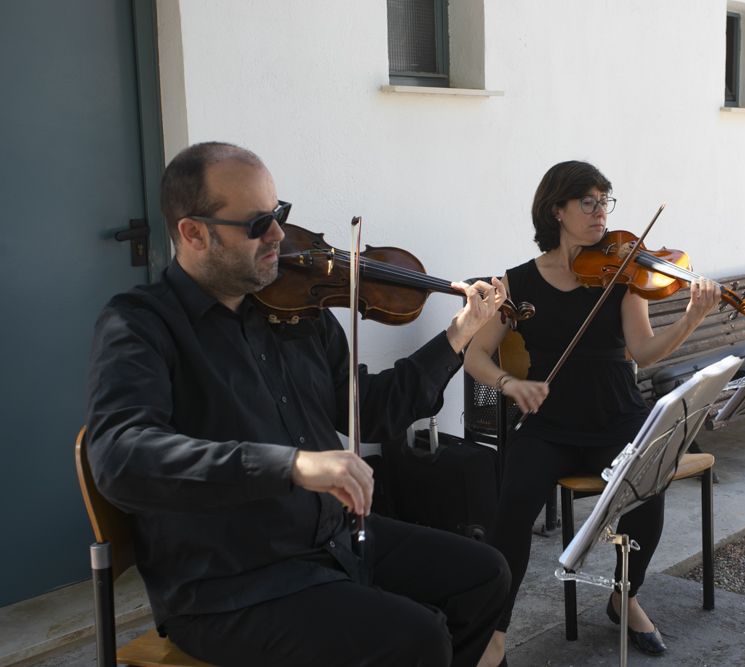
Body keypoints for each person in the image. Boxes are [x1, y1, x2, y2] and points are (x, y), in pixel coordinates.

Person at [85, 141, 511, 667]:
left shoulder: (295, 311)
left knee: (484, 577)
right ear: (193, 233)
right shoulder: (139, 324)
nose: (279, 235)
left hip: (328, 539)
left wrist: (457, 335)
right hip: (229, 585)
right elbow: (122, 457)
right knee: (416, 639)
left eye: (279, 213)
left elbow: (370, 411)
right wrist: (289, 464)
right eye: (259, 222)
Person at [464, 160, 721, 658]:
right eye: (589, 201)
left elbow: (643, 352)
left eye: (606, 201)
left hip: (616, 416)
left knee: (649, 491)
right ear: (556, 210)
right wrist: (510, 384)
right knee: (513, 506)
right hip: (550, 424)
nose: (600, 212)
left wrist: (691, 318)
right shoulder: (517, 283)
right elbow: (475, 354)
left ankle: (624, 597)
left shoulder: (622, 275)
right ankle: (494, 633)